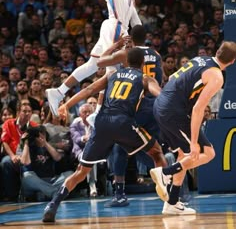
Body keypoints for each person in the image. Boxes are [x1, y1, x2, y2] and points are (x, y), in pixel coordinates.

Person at [42, 47, 166, 222]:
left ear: (126, 62)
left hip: (102, 124)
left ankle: (53, 204)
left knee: (81, 171)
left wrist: (66, 106)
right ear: (143, 63)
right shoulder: (145, 78)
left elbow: (87, 91)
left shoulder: (112, 75)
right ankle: (172, 197)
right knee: (156, 152)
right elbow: (161, 96)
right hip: (123, 122)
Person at [46, 0, 141, 116]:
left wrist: (140, 42)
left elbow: (136, 21)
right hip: (115, 26)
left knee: (93, 66)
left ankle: (59, 92)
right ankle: (104, 112)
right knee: (112, 70)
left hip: (118, 28)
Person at [150, 41, 236, 215]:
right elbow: (198, 109)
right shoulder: (217, 76)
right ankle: (165, 173)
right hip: (173, 111)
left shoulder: (200, 59)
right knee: (207, 152)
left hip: (162, 104)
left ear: (218, 50)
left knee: (183, 156)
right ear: (233, 61)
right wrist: (195, 142)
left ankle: (172, 202)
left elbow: (174, 78)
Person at [97, 24, 163, 206]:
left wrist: (116, 45)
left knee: (120, 147)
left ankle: (119, 193)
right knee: (154, 150)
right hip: (154, 106)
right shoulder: (156, 54)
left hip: (136, 106)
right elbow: (160, 80)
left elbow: (100, 61)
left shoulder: (127, 53)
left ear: (130, 38)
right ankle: (174, 185)